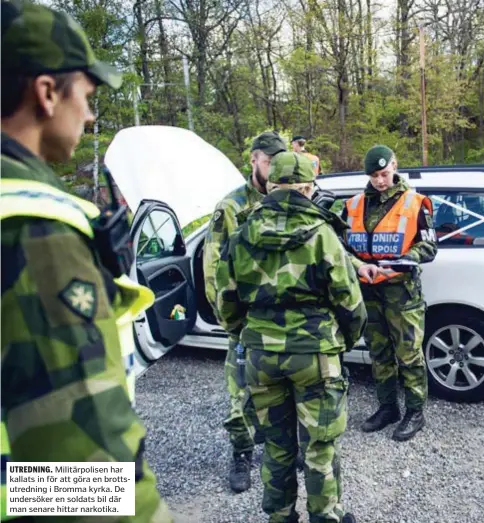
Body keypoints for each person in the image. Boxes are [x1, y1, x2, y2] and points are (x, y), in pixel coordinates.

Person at [0, 1, 172, 521]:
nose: (91, 114)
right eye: (88, 96)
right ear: (47, 92)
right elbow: (78, 456)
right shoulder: (35, 224)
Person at [215, 151, 367, 523]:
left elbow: (226, 301)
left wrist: (248, 335)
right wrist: (341, 342)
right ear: (305, 187)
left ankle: (280, 516)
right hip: (315, 354)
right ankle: (326, 516)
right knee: (319, 446)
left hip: (260, 357)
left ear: (270, 185)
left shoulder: (242, 232)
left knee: (277, 446)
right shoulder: (322, 233)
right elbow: (351, 303)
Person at [203, 130, 287, 493]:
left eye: (279, 162)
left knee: (282, 390)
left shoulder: (288, 199)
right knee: (240, 393)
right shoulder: (233, 207)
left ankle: (280, 447)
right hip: (246, 321)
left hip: (284, 320)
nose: (274, 169)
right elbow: (213, 269)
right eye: (269, 162)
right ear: (254, 159)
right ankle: (241, 453)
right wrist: (230, 320)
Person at [342, 145, 438, 442]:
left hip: (401, 293)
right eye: (374, 175)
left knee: (408, 355)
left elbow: (429, 246)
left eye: (384, 173)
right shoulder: (354, 204)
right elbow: (342, 247)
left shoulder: (416, 202)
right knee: (379, 353)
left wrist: (403, 260)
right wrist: (358, 266)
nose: (380, 180)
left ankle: (415, 411)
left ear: (395, 166)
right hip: (368, 292)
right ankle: (387, 408)